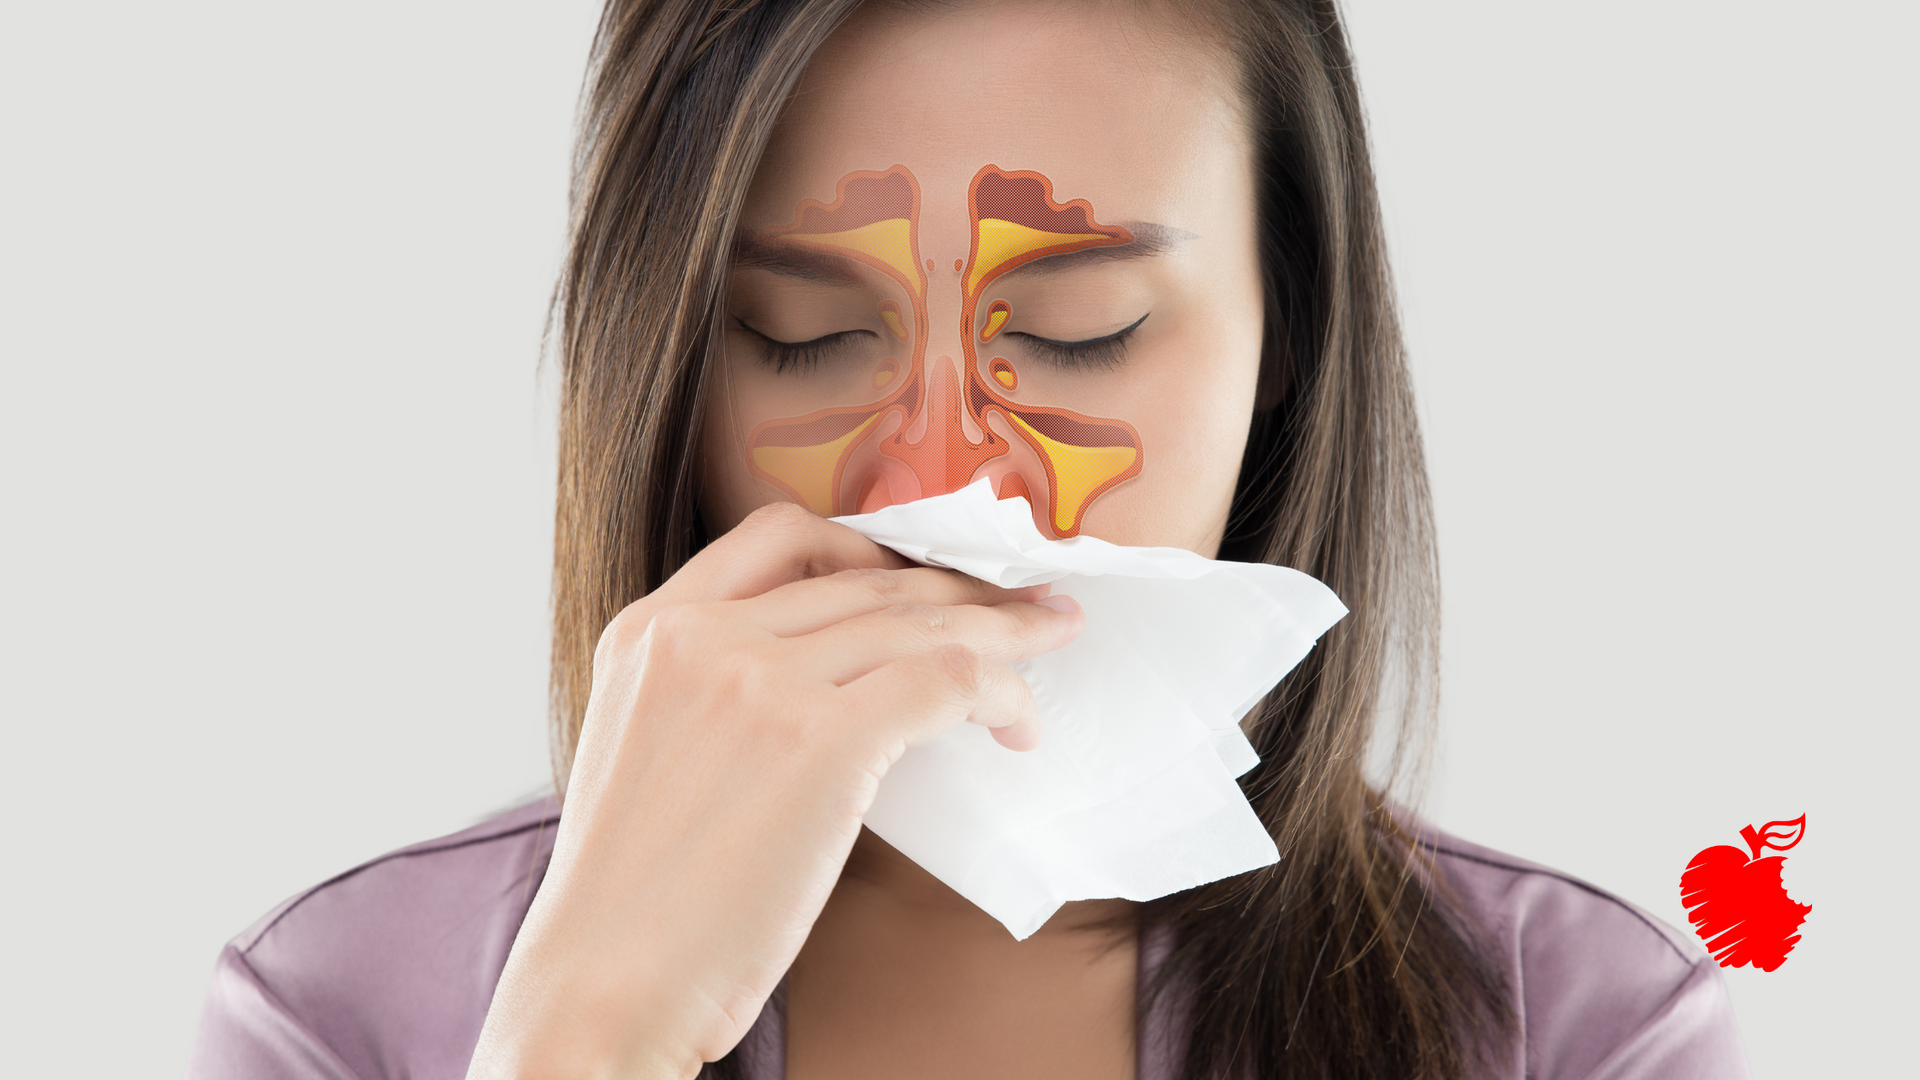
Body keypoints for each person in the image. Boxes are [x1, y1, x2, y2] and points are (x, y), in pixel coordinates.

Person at [188, 1, 1752, 1077]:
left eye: (1081, 335)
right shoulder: (340, 1014)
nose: (946, 484)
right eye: (801, 338)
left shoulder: (1581, 1028)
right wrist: (587, 1032)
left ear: (1290, 340)